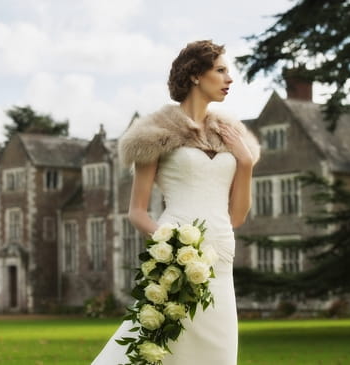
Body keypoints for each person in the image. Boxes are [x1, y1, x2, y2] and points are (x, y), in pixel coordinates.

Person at [91, 40, 261, 365]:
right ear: (196, 75)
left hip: (221, 259)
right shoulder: (154, 134)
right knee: (159, 349)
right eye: (221, 70)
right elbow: (137, 211)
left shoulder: (233, 135)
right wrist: (168, 249)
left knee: (219, 355)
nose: (230, 78)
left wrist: (245, 162)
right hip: (174, 263)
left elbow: (237, 216)